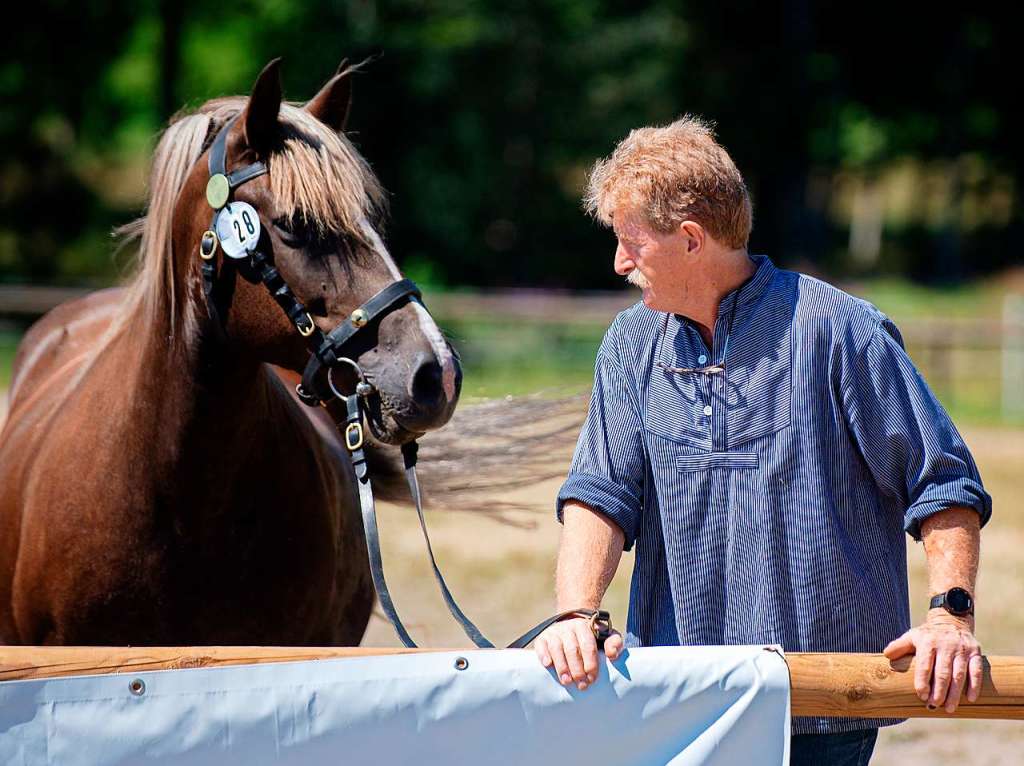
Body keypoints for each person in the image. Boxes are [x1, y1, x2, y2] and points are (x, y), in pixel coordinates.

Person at [533, 116, 991, 765]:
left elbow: (942, 483)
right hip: (678, 700)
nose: (619, 262)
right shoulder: (629, 345)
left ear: (690, 239)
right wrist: (576, 614)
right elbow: (600, 494)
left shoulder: (842, 332)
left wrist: (950, 615)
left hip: (823, 710)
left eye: (631, 242)